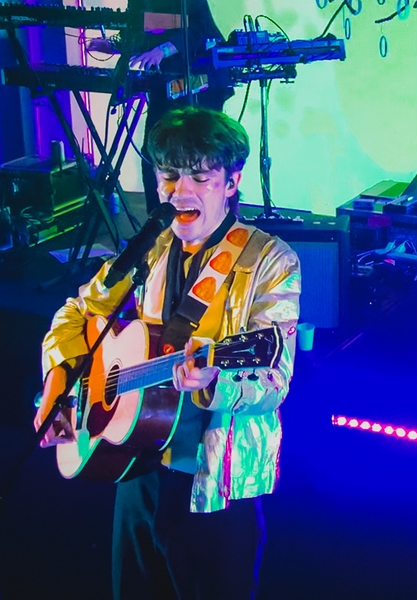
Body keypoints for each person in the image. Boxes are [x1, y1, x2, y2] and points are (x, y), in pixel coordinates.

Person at [35, 107, 300, 600]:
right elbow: (77, 313)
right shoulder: (149, 250)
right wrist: (58, 382)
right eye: (169, 175)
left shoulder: (271, 260)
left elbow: (273, 381)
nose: (181, 190)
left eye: (200, 176)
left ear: (232, 181)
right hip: (137, 466)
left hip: (214, 484)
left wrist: (214, 381)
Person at [88, 0, 235, 216]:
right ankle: (160, 233)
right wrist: (115, 45)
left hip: (201, 77)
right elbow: (145, 26)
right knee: (154, 154)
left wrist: (164, 49)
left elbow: (197, 26)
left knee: (204, 158)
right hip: (166, 79)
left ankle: (219, 226)